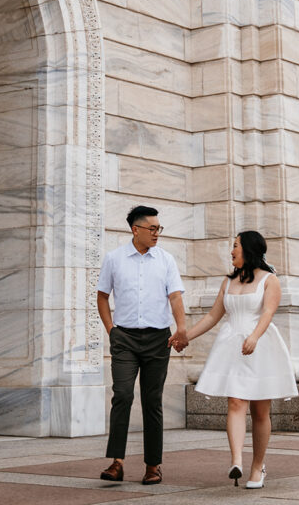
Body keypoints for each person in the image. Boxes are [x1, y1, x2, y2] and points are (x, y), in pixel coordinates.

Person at [171, 230, 297, 490]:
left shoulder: (269, 280)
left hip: (260, 347)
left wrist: (254, 337)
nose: (231, 251)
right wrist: (185, 337)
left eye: (235, 246)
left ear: (248, 249)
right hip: (231, 347)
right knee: (236, 401)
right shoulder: (228, 281)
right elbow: (213, 316)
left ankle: (257, 466)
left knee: (260, 411)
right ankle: (236, 460)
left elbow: (268, 313)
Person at [97, 204, 188, 485]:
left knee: (152, 401)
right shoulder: (114, 259)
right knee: (122, 395)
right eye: (152, 228)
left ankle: (153, 465)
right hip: (124, 338)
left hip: (157, 339)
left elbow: (174, 297)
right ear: (135, 229)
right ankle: (117, 463)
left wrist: (182, 327)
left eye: (159, 228)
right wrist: (112, 331)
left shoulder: (166, 260)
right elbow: (102, 296)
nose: (157, 233)